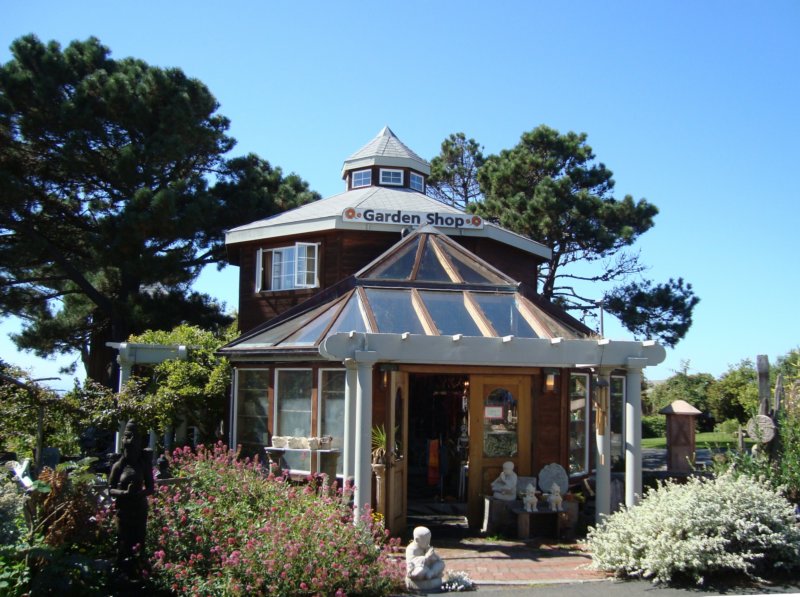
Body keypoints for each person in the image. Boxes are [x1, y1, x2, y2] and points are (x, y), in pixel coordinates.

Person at [108, 420, 155, 577]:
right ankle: (122, 571)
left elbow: (151, 487)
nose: (130, 442)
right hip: (124, 510)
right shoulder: (119, 466)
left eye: (135, 438)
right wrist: (124, 494)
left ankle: (138, 570)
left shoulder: (143, 465)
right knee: (123, 540)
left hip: (139, 509)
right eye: (127, 437)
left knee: (139, 539)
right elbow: (110, 489)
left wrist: (138, 494)